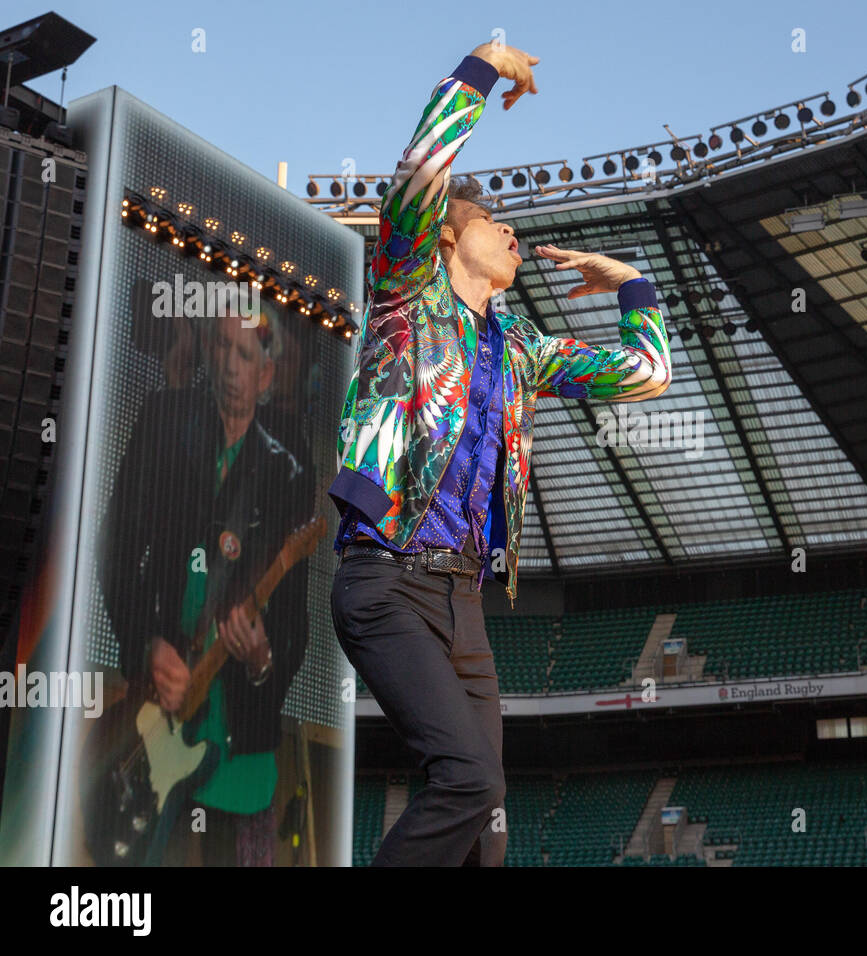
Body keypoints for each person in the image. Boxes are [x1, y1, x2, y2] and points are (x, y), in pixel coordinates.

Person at [328, 40, 672, 866]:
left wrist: (630, 283)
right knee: (469, 781)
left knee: (490, 825)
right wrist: (480, 68)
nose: (515, 234)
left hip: (465, 605)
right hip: (386, 579)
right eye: (495, 222)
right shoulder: (408, 288)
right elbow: (417, 173)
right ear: (448, 241)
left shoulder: (519, 349)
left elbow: (647, 374)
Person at [98, 309, 313, 866]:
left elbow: (295, 621)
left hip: (241, 743)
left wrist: (263, 657)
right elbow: (115, 547)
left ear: (267, 377)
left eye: (245, 356)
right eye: (220, 347)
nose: (229, 366)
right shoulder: (164, 421)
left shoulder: (287, 468)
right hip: (154, 723)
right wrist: (146, 642)